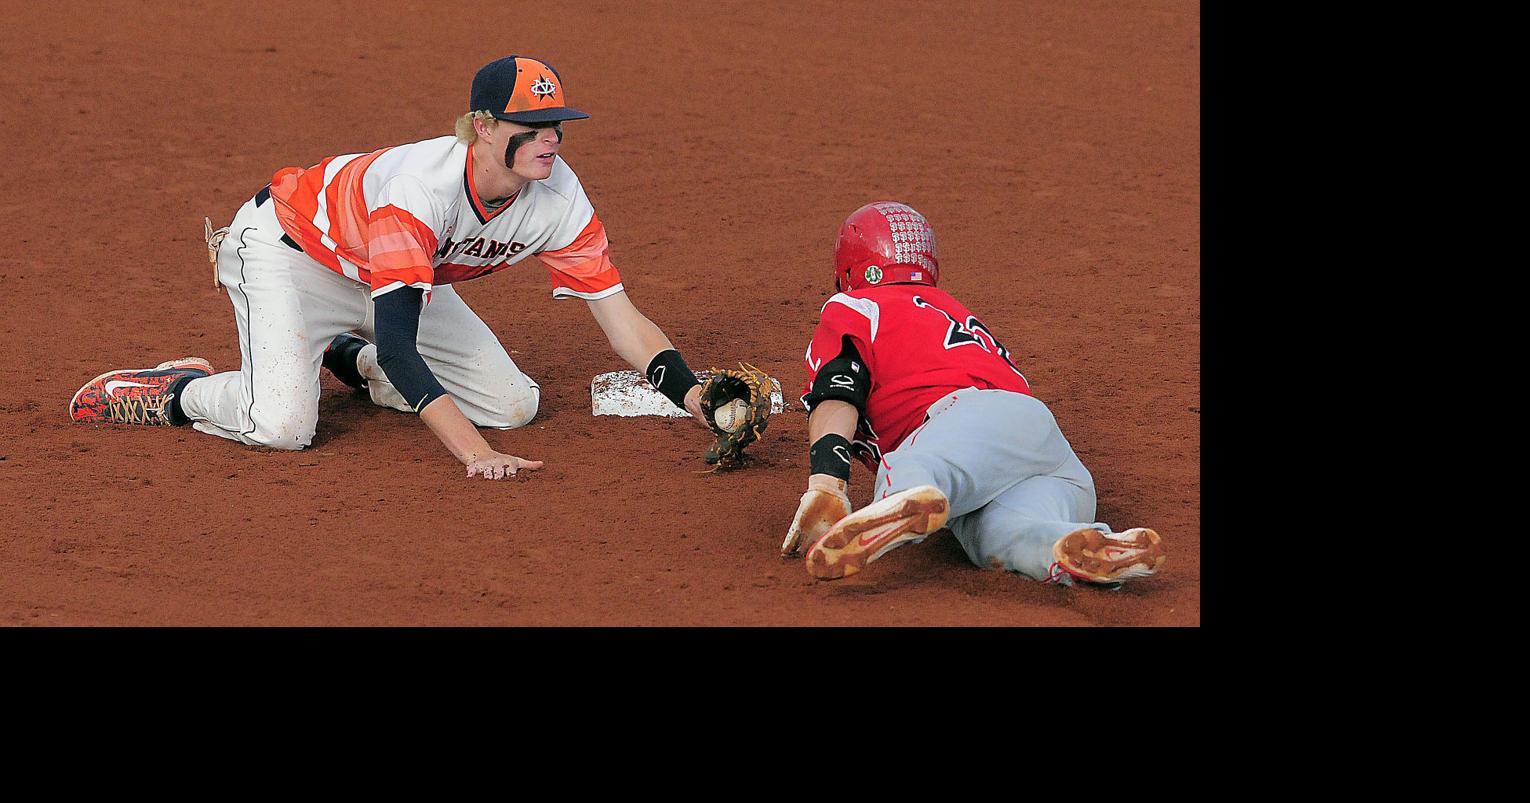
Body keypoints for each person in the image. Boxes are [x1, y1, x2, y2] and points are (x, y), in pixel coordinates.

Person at [69, 55, 711, 480]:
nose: (552, 139)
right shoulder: (419, 190)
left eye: (558, 126)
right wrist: (476, 456)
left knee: (512, 404)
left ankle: (343, 355)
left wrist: (698, 398)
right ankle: (173, 393)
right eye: (534, 125)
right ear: (484, 128)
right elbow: (403, 348)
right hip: (288, 253)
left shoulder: (558, 194)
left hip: (389, 279)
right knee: (284, 427)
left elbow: (622, 319)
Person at [780, 201, 1167, 587]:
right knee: (996, 539)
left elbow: (837, 390)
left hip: (962, 423)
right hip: (1039, 441)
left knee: (910, 466)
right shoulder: (956, 314)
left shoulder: (858, 305)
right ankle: (1073, 546)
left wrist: (826, 484)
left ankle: (906, 493)